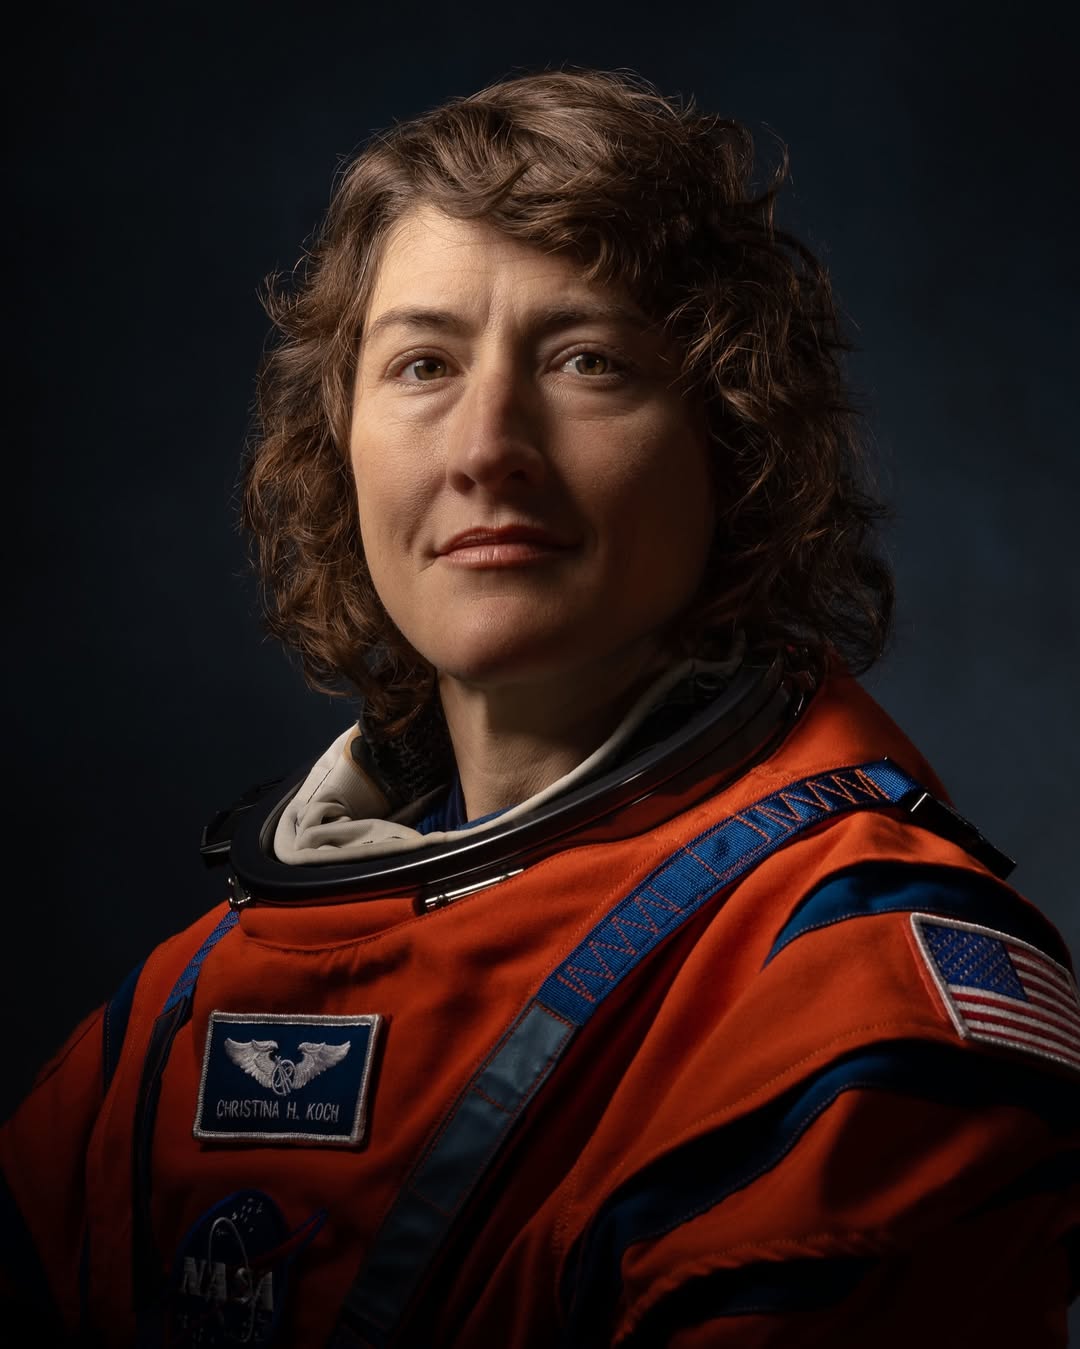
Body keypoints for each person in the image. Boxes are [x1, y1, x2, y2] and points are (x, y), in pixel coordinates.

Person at [2, 67, 1077, 1349]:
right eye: (422, 364)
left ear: (733, 443)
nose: (485, 447)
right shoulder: (171, 1018)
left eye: (586, 360)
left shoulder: (858, 988)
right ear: (340, 442)